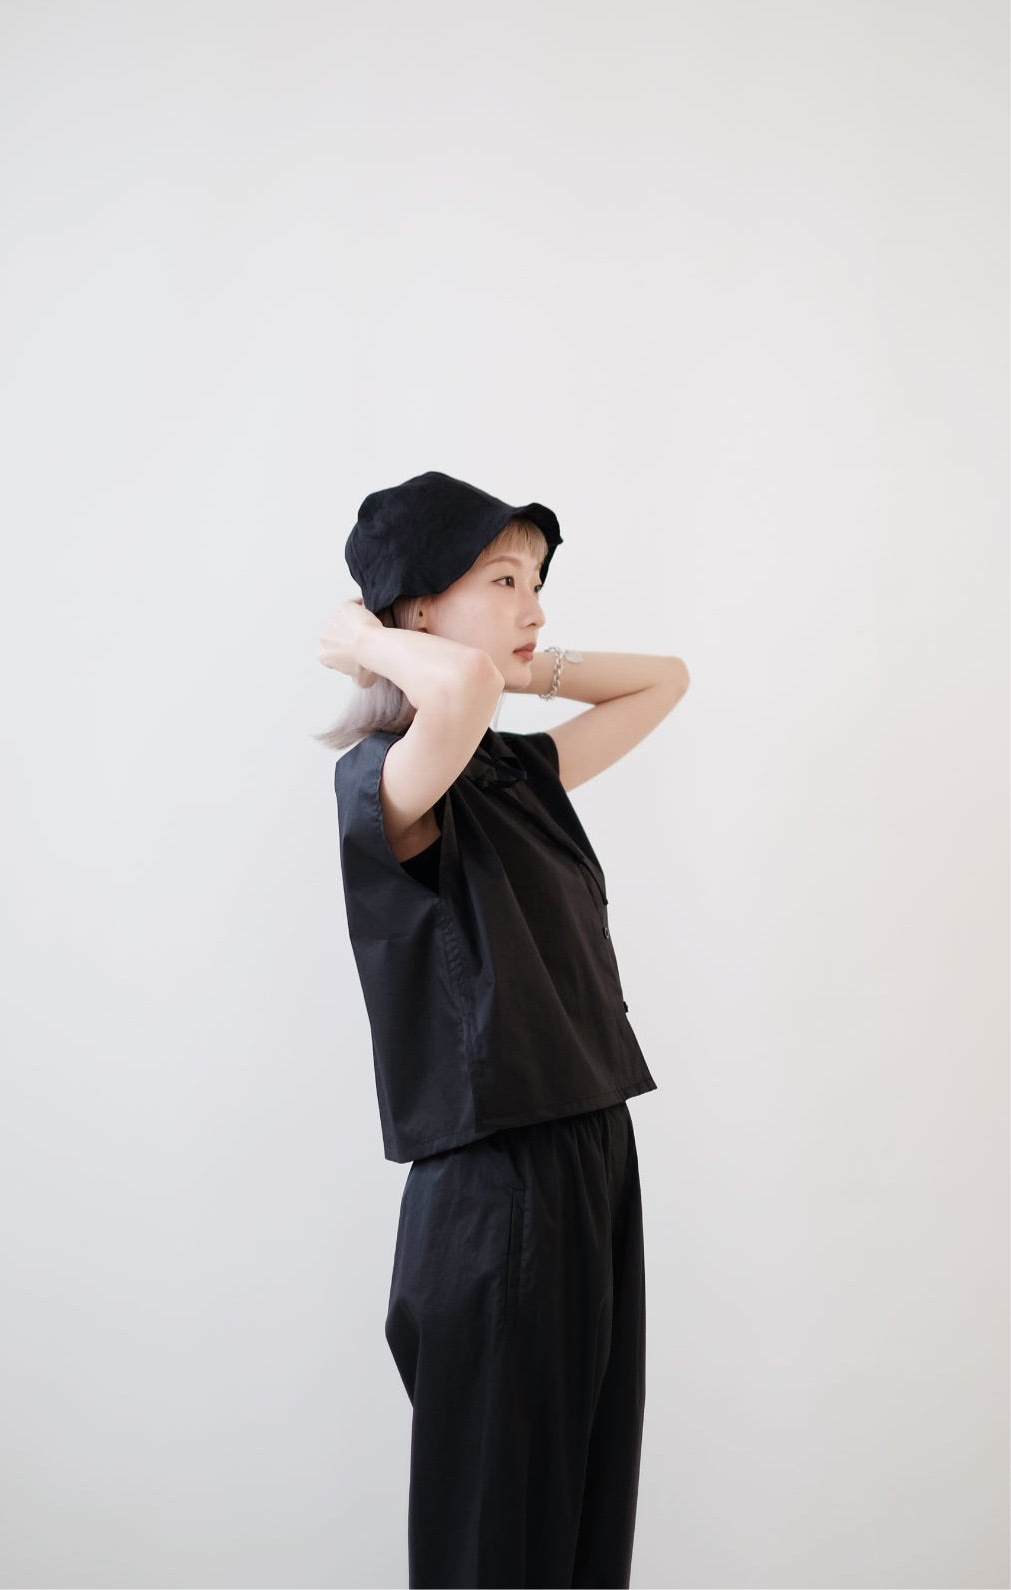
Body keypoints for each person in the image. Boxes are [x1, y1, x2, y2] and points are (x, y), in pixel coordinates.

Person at [317, 470, 689, 1589]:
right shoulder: (391, 783)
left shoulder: (519, 771)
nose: (534, 606)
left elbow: (664, 681)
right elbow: (467, 686)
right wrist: (366, 640)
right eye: (502, 580)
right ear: (419, 609)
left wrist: (529, 665)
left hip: (592, 1153)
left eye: (537, 580)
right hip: (495, 1184)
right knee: (495, 1542)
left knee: (582, 1524)